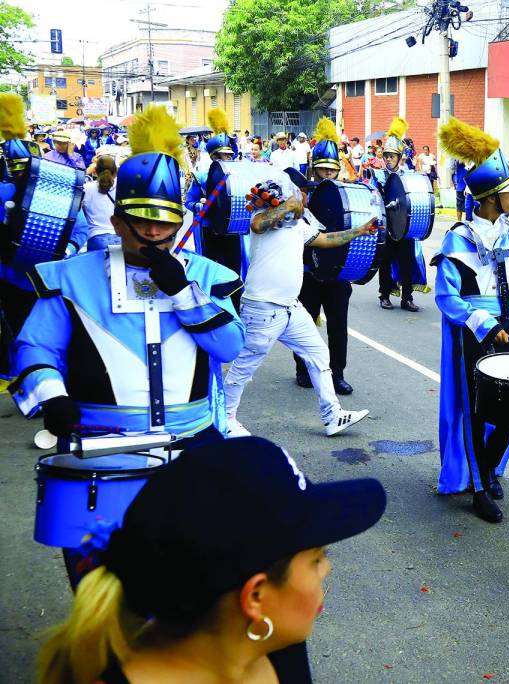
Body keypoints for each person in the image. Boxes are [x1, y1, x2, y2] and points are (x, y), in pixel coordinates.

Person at [35, 435, 385, 684]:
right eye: (317, 558)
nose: (328, 568)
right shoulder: (268, 643)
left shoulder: (275, 647)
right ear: (255, 596)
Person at [9, 105, 244, 451]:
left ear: (178, 224)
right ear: (117, 222)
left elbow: (229, 347)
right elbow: (37, 347)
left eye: (163, 222)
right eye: (140, 220)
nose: (152, 230)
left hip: (190, 446)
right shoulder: (71, 277)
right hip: (99, 446)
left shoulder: (205, 275)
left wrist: (184, 292)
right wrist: (52, 395)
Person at [432, 117, 509, 523]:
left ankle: (490, 465)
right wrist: (484, 323)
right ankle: (479, 486)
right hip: (477, 335)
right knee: (476, 409)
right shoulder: (458, 239)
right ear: (490, 198)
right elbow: (447, 298)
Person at [222, 154, 375, 438]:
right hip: (263, 307)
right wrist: (291, 204)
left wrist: (359, 231)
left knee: (318, 355)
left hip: (291, 308)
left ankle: (332, 416)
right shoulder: (264, 218)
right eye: (301, 192)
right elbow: (257, 224)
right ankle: (225, 418)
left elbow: (325, 240)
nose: (306, 197)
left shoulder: (299, 224)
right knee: (244, 367)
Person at [0, 95, 88, 383]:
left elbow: (80, 228)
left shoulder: (57, 187)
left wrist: (67, 251)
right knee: (20, 333)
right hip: (12, 276)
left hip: (51, 274)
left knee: (57, 331)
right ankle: (29, 383)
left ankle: (55, 382)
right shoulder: (2, 193)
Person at [290, 137, 362, 396]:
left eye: (332, 169)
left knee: (338, 326)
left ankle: (337, 374)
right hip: (309, 270)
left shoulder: (347, 193)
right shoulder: (299, 194)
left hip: (337, 273)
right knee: (304, 324)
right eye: (323, 169)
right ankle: (302, 368)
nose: (328, 173)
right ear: (314, 169)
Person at [371, 118, 425, 313]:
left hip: (405, 226)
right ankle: (384, 295)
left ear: (399, 157)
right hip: (386, 227)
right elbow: (372, 200)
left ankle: (407, 298)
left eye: (392, 156)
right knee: (385, 262)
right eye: (386, 156)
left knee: (407, 262)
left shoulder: (408, 175)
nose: (388, 159)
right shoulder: (377, 175)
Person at [183, 109, 237, 269]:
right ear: (214, 157)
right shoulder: (201, 177)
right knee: (210, 266)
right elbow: (188, 202)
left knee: (233, 268)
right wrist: (200, 206)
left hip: (231, 229)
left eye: (230, 155)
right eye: (224, 155)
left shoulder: (238, 176)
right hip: (208, 227)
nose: (228, 158)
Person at [81, 155, 119, 251]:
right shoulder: (124, 186)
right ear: (115, 171)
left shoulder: (86, 188)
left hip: (96, 238)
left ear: (95, 171)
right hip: (121, 237)